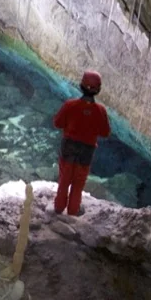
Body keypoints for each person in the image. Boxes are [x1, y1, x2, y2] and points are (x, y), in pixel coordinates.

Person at [52, 70, 111, 216]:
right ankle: (73, 211)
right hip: (86, 151)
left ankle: (59, 208)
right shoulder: (101, 111)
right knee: (78, 184)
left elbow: (57, 123)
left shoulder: (70, 105)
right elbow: (105, 132)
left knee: (64, 179)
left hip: (68, 148)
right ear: (98, 90)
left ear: (81, 86)